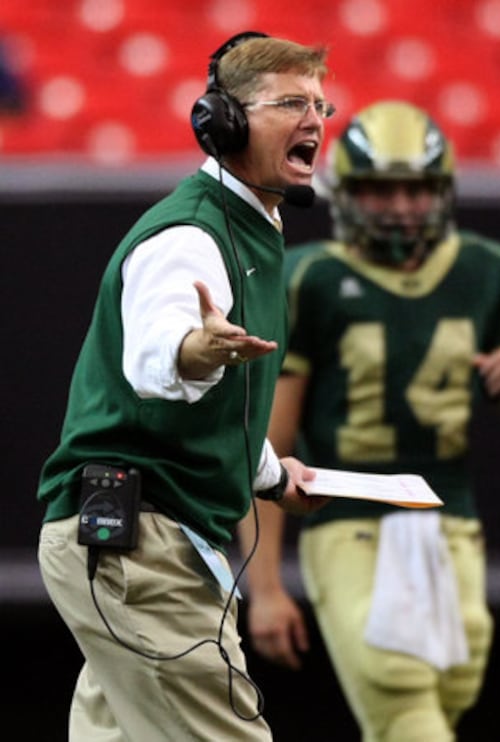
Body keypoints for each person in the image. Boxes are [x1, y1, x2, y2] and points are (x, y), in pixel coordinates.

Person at [237, 100, 500, 741]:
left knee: (446, 692)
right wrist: (266, 584)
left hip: (451, 521)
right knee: (403, 702)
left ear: (441, 192)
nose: (398, 206)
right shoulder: (313, 279)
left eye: (415, 189)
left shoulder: (486, 271)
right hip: (349, 520)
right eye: (380, 189)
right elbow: (269, 450)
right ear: (348, 194)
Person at [36, 30, 334, 742]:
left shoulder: (252, 230)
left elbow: (221, 412)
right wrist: (198, 350)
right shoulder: (191, 236)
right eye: (291, 102)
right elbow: (155, 362)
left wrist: (268, 475)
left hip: (149, 543)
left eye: (322, 104)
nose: (316, 120)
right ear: (222, 121)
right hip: (140, 547)